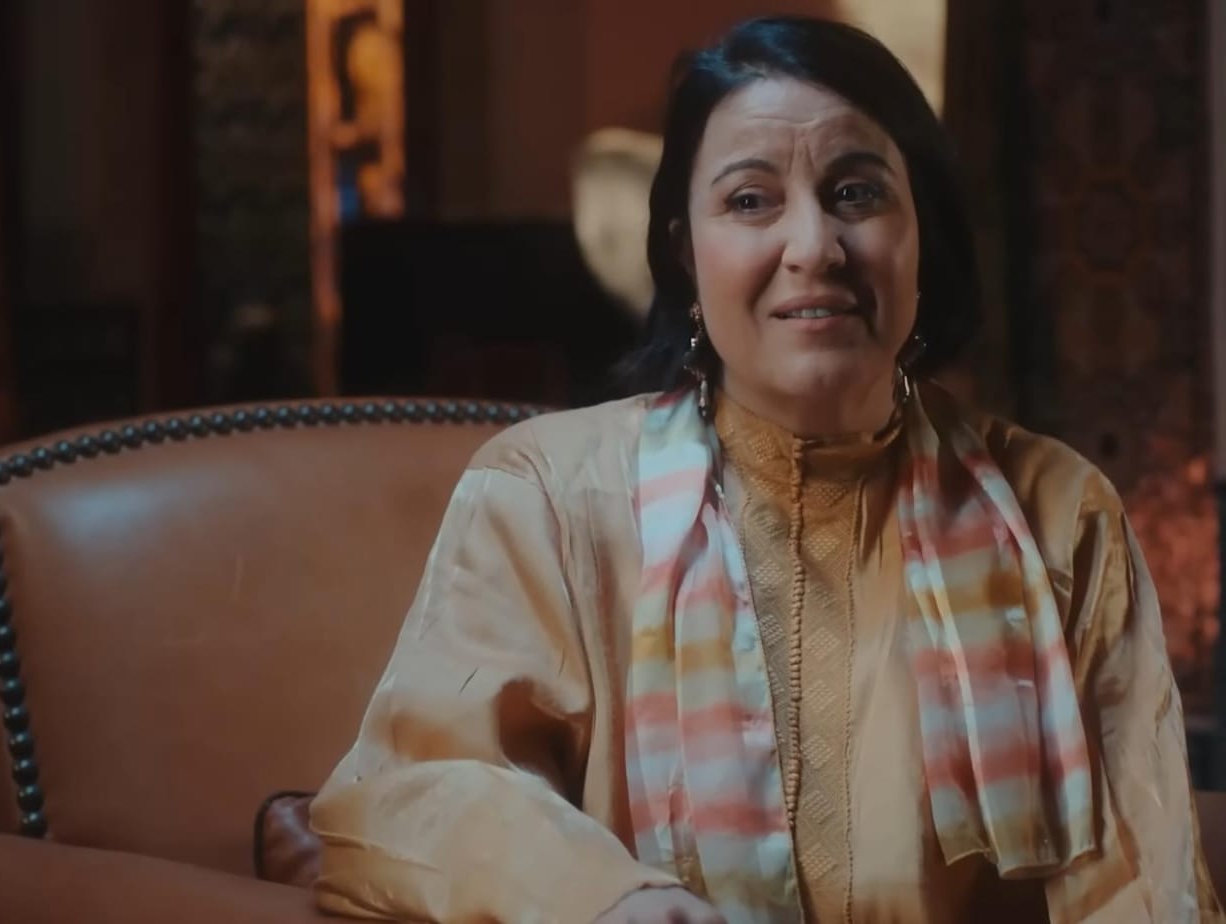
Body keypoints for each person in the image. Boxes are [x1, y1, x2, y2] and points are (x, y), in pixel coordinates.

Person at [309, 16, 1222, 923]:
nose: (813, 247)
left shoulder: (1057, 514)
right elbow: (417, 789)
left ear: (923, 236)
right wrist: (608, 903)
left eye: (856, 193)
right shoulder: (551, 496)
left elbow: (1142, 884)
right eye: (750, 201)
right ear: (684, 251)